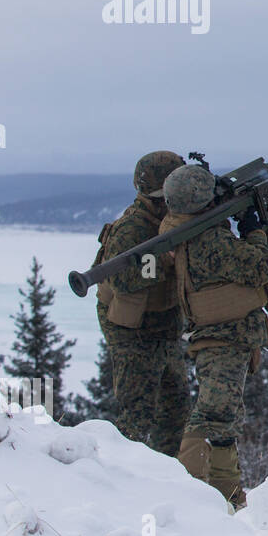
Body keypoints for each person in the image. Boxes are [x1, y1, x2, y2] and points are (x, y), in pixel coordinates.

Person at [159, 163, 268, 509]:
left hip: (221, 337)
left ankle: (228, 498)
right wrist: (255, 230)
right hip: (222, 338)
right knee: (212, 417)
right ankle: (190, 500)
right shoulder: (208, 238)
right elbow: (255, 267)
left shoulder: (181, 226)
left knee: (224, 421)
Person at [91, 150, 189, 455]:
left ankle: (169, 476)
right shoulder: (132, 228)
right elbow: (120, 278)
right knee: (137, 415)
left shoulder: (170, 219)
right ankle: (123, 480)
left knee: (175, 410)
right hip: (133, 334)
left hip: (164, 328)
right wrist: (164, 261)